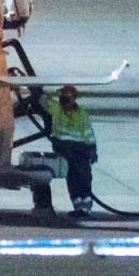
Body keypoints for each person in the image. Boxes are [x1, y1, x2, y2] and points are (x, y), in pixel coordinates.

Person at [48, 84, 97, 217]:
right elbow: (43, 99)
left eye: (66, 99)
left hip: (80, 150)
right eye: (62, 99)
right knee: (72, 179)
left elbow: (88, 132)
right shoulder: (57, 109)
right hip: (66, 150)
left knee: (84, 178)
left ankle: (85, 208)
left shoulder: (81, 113)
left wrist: (92, 149)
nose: (64, 103)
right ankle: (79, 208)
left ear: (73, 99)